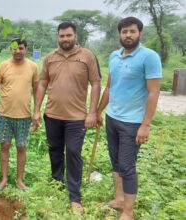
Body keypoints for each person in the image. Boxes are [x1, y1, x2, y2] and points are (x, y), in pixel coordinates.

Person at [96, 17, 162, 220]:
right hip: (112, 118)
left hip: (132, 122)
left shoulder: (149, 57)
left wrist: (146, 124)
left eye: (132, 31)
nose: (128, 35)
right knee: (115, 162)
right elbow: (109, 87)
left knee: (126, 166)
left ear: (140, 33)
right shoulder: (114, 56)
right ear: (120, 34)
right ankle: (119, 199)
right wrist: (98, 111)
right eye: (124, 31)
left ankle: (128, 212)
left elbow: (153, 93)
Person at [32, 21, 101, 213]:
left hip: (77, 117)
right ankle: (57, 184)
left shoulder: (88, 56)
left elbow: (95, 84)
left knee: (72, 152)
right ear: (58, 37)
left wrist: (93, 112)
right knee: (54, 150)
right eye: (62, 36)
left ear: (75, 36)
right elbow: (42, 83)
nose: (65, 39)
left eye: (68, 35)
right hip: (52, 114)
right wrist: (37, 110)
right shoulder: (50, 58)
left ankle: (75, 197)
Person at [0, 38, 38, 191]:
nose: (17, 51)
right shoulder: (3, 66)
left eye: (21, 48)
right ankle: (4, 179)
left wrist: (37, 111)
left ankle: (20, 181)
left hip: (24, 116)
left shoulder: (33, 67)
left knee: (21, 146)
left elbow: (36, 89)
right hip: (4, 115)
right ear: (10, 49)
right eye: (14, 48)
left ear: (26, 49)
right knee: (5, 145)